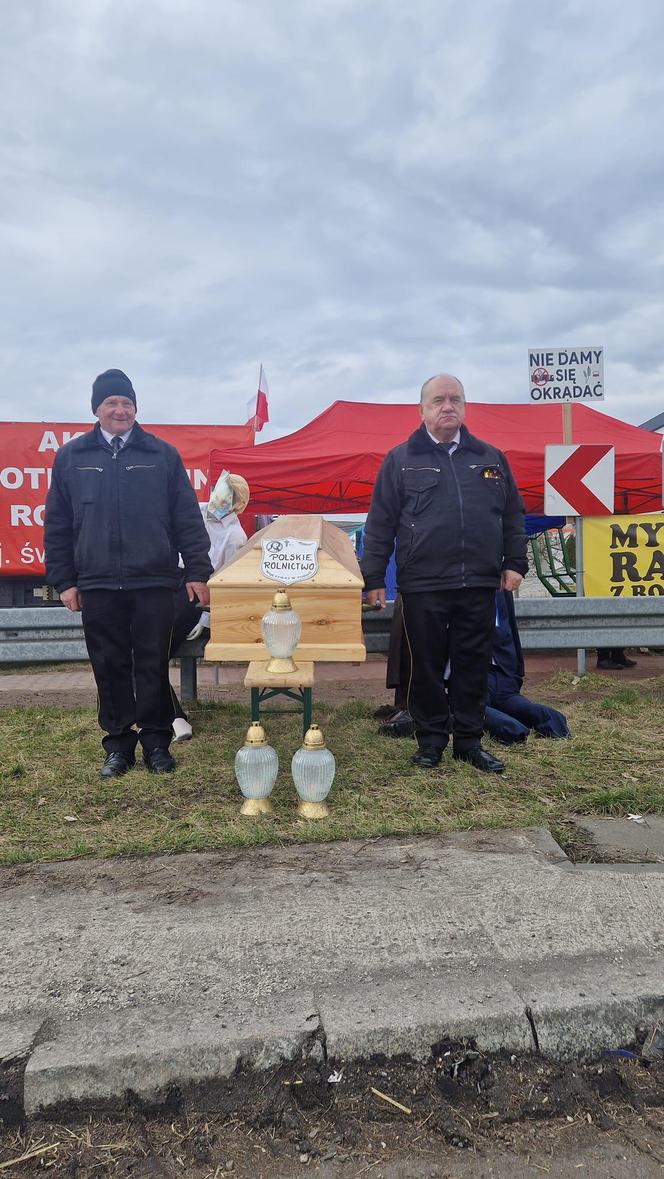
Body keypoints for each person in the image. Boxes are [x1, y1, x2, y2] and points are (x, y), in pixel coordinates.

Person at [44, 369, 213, 777]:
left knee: (152, 664)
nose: (120, 410)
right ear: (96, 409)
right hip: (97, 583)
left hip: (154, 581)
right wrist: (64, 580)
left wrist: (197, 570)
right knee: (109, 664)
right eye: (111, 403)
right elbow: (58, 523)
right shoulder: (72, 457)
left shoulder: (162, 455)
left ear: (135, 409)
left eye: (127, 403)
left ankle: (157, 742)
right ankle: (118, 746)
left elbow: (186, 518)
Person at [361, 374, 528, 772]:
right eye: (438, 400)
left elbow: (512, 515)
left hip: (479, 584)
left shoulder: (490, 458)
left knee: (474, 665)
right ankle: (431, 741)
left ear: (465, 407)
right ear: (421, 410)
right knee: (426, 668)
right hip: (423, 585)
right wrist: (371, 579)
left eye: (455, 399)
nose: (447, 406)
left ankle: (469, 743)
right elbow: (380, 524)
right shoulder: (400, 460)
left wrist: (515, 562)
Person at [379, 591, 569, 744]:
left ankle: (512, 729)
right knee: (513, 704)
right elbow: (509, 630)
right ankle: (551, 722)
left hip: (468, 679)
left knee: (474, 711)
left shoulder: (442, 584)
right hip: (500, 672)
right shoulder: (496, 583)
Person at [170, 472, 250, 741]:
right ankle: (173, 716)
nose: (218, 496)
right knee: (146, 654)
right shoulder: (199, 511)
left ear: (237, 502)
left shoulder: (236, 536)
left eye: (226, 494)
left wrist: (204, 621)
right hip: (171, 584)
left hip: (197, 596)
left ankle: (173, 717)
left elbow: (222, 583)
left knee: (150, 654)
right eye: (217, 489)